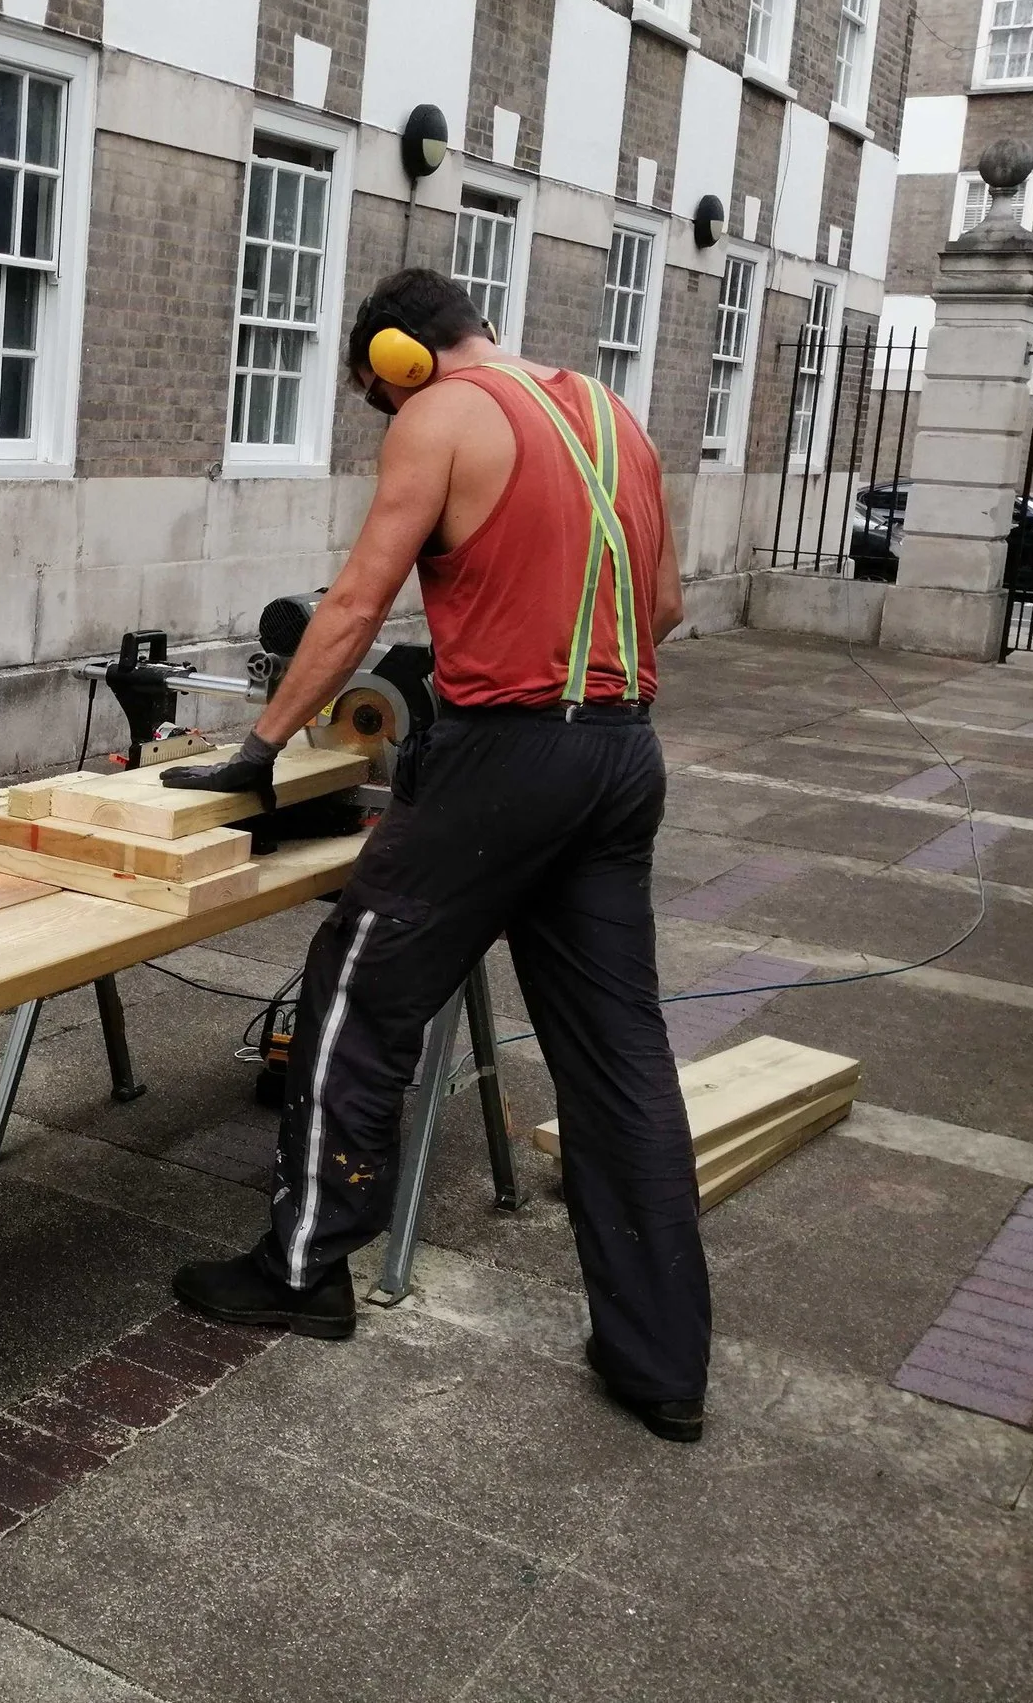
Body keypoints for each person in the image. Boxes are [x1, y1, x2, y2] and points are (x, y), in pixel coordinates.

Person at [161, 266, 708, 1444]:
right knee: (620, 1055)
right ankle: (661, 1363)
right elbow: (662, 605)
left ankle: (302, 1268)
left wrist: (257, 752)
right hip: (623, 754)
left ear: (398, 359)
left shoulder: (441, 413)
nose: (384, 414)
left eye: (377, 394)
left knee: (355, 987)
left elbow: (357, 605)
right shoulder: (611, 416)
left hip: (506, 759)